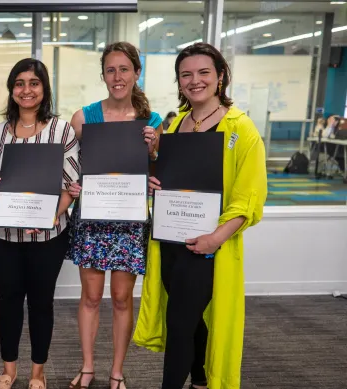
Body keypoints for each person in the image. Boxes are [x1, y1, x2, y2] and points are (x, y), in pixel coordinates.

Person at [133, 42, 267, 389]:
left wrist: (215, 238)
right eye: (186, 75)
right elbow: (174, 181)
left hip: (208, 248)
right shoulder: (176, 124)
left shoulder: (241, 129)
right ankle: (201, 381)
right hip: (172, 243)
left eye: (204, 72)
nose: (195, 81)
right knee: (195, 323)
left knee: (179, 323)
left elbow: (249, 199)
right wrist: (155, 181)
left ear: (220, 76)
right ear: (179, 82)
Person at [66, 42, 162, 389]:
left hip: (130, 219)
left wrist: (154, 153)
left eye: (124, 69)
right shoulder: (83, 118)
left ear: (137, 73)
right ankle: (88, 366)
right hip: (92, 217)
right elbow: (66, 166)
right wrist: (71, 186)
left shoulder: (153, 123)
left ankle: (117, 371)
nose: (117, 76)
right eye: (111, 69)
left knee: (122, 298)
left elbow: (160, 174)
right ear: (103, 74)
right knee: (91, 297)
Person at [0, 58, 79, 389]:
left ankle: (37, 373)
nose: (27, 90)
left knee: (41, 302)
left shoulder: (62, 130)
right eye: (20, 83)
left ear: (44, 89)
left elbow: (71, 185)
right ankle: (8, 370)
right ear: (12, 90)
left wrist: (51, 216)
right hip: (3, 235)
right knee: (8, 300)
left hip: (48, 236)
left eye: (34, 83)